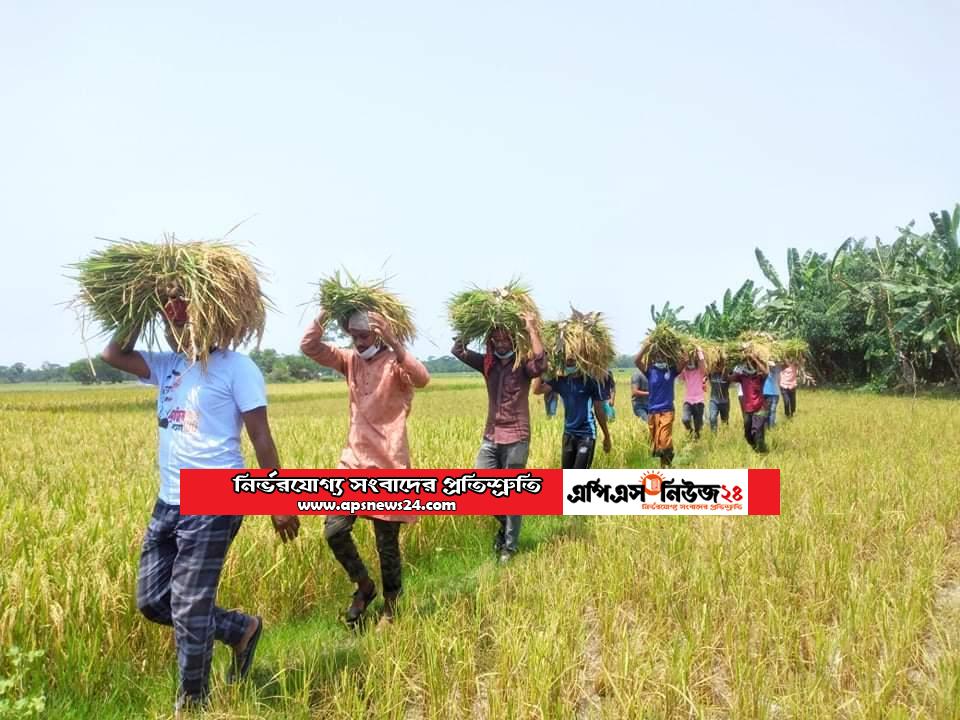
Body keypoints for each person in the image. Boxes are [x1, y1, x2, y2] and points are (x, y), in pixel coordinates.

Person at [101, 296, 299, 714]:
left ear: (210, 317)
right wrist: (138, 308)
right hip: (170, 499)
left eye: (184, 312)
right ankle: (241, 629)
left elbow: (261, 437)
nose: (175, 322)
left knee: (190, 607)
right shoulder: (168, 364)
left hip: (216, 495)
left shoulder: (237, 367)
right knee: (153, 601)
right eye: (169, 316)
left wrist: (279, 500)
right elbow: (113, 353)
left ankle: (192, 703)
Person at [300, 308, 430, 625]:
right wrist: (325, 315)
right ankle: (364, 585)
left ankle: (391, 607)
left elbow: (422, 379)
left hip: (389, 464)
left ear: (380, 334)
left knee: (387, 545)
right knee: (334, 529)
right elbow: (309, 347)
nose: (358, 342)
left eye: (364, 336)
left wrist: (394, 342)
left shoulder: (396, 364)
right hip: (353, 461)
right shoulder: (349, 360)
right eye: (353, 336)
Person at [452, 313, 545, 563]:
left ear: (513, 341)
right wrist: (470, 326)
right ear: (491, 340)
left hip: (517, 435)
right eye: (497, 339)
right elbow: (458, 350)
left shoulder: (522, 364)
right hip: (491, 434)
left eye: (506, 339)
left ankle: (509, 547)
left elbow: (541, 363)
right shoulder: (487, 363)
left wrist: (531, 328)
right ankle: (507, 526)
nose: (501, 343)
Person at [533, 361, 611, 469]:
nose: (569, 364)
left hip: (586, 434)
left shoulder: (590, 382)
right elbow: (536, 390)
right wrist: (540, 366)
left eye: (572, 361)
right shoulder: (561, 381)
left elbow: (599, 410)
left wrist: (607, 436)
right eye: (567, 361)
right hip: (568, 434)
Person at [634, 343, 678, 468]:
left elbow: (684, 361)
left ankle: (668, 459)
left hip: (667, 410)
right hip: (652, 411)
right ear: (654, 356)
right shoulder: (650, 371)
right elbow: (637, 361)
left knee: (664, 440)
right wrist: (645, 348)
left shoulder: (671, 371)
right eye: (658, 354)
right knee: (657, 443)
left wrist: (678, 349)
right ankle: (665, 466)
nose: (660, 357)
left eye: (663, 355)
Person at [729, 362, 769, 452]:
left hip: (760, 409)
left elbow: (766, 372)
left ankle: (762, 452)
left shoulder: (760, 377)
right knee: (747, 435)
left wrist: (754, 358)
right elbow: (729, 378)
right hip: (748, 410)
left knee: (756, 432)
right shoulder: (742, 377)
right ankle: (758, 449)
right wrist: (736, 366)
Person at [678, 349, 707, 439]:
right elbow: (680, 376)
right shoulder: (685, 372)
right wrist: (682, 358)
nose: (691, 363)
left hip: (699, 401)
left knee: (698, 425)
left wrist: (699, 352)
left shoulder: (700, 371)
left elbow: (702, 364)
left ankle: (696, 438)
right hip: (688, 401)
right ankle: (690, 431)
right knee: (685, 419)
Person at [708, 362, 731, 432]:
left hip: (725, 402)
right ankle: (713, 435)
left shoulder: (727, 374)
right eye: (717, 365)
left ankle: (725, 437)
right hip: (713, 401)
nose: (718, 367)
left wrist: (724, 368)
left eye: (720, 365)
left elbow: (728, 375)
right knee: (712, 418)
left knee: (725, 421)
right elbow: (707, 369)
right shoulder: (711, 374)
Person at [764, 362, 782, 428]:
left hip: (774, 393)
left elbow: (787, 364)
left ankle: (771, 426)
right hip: (766, 393)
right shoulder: (765, 369)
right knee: (768, 411)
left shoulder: (778, 368)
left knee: (772, 411)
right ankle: (767, 426)